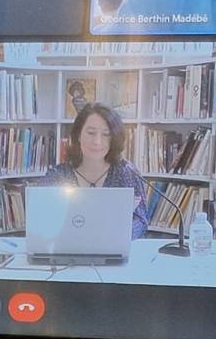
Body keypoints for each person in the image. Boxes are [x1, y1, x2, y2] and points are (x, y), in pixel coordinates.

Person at [39, 103, 149, 240]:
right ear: (78, 135)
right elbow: (40, 219)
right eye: (91, 133)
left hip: (113, 246)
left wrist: (119, 235)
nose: (97, 141)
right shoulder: (57, 175)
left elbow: (141, 220)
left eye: (106, 135)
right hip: (67, 247)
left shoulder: (127, 173)